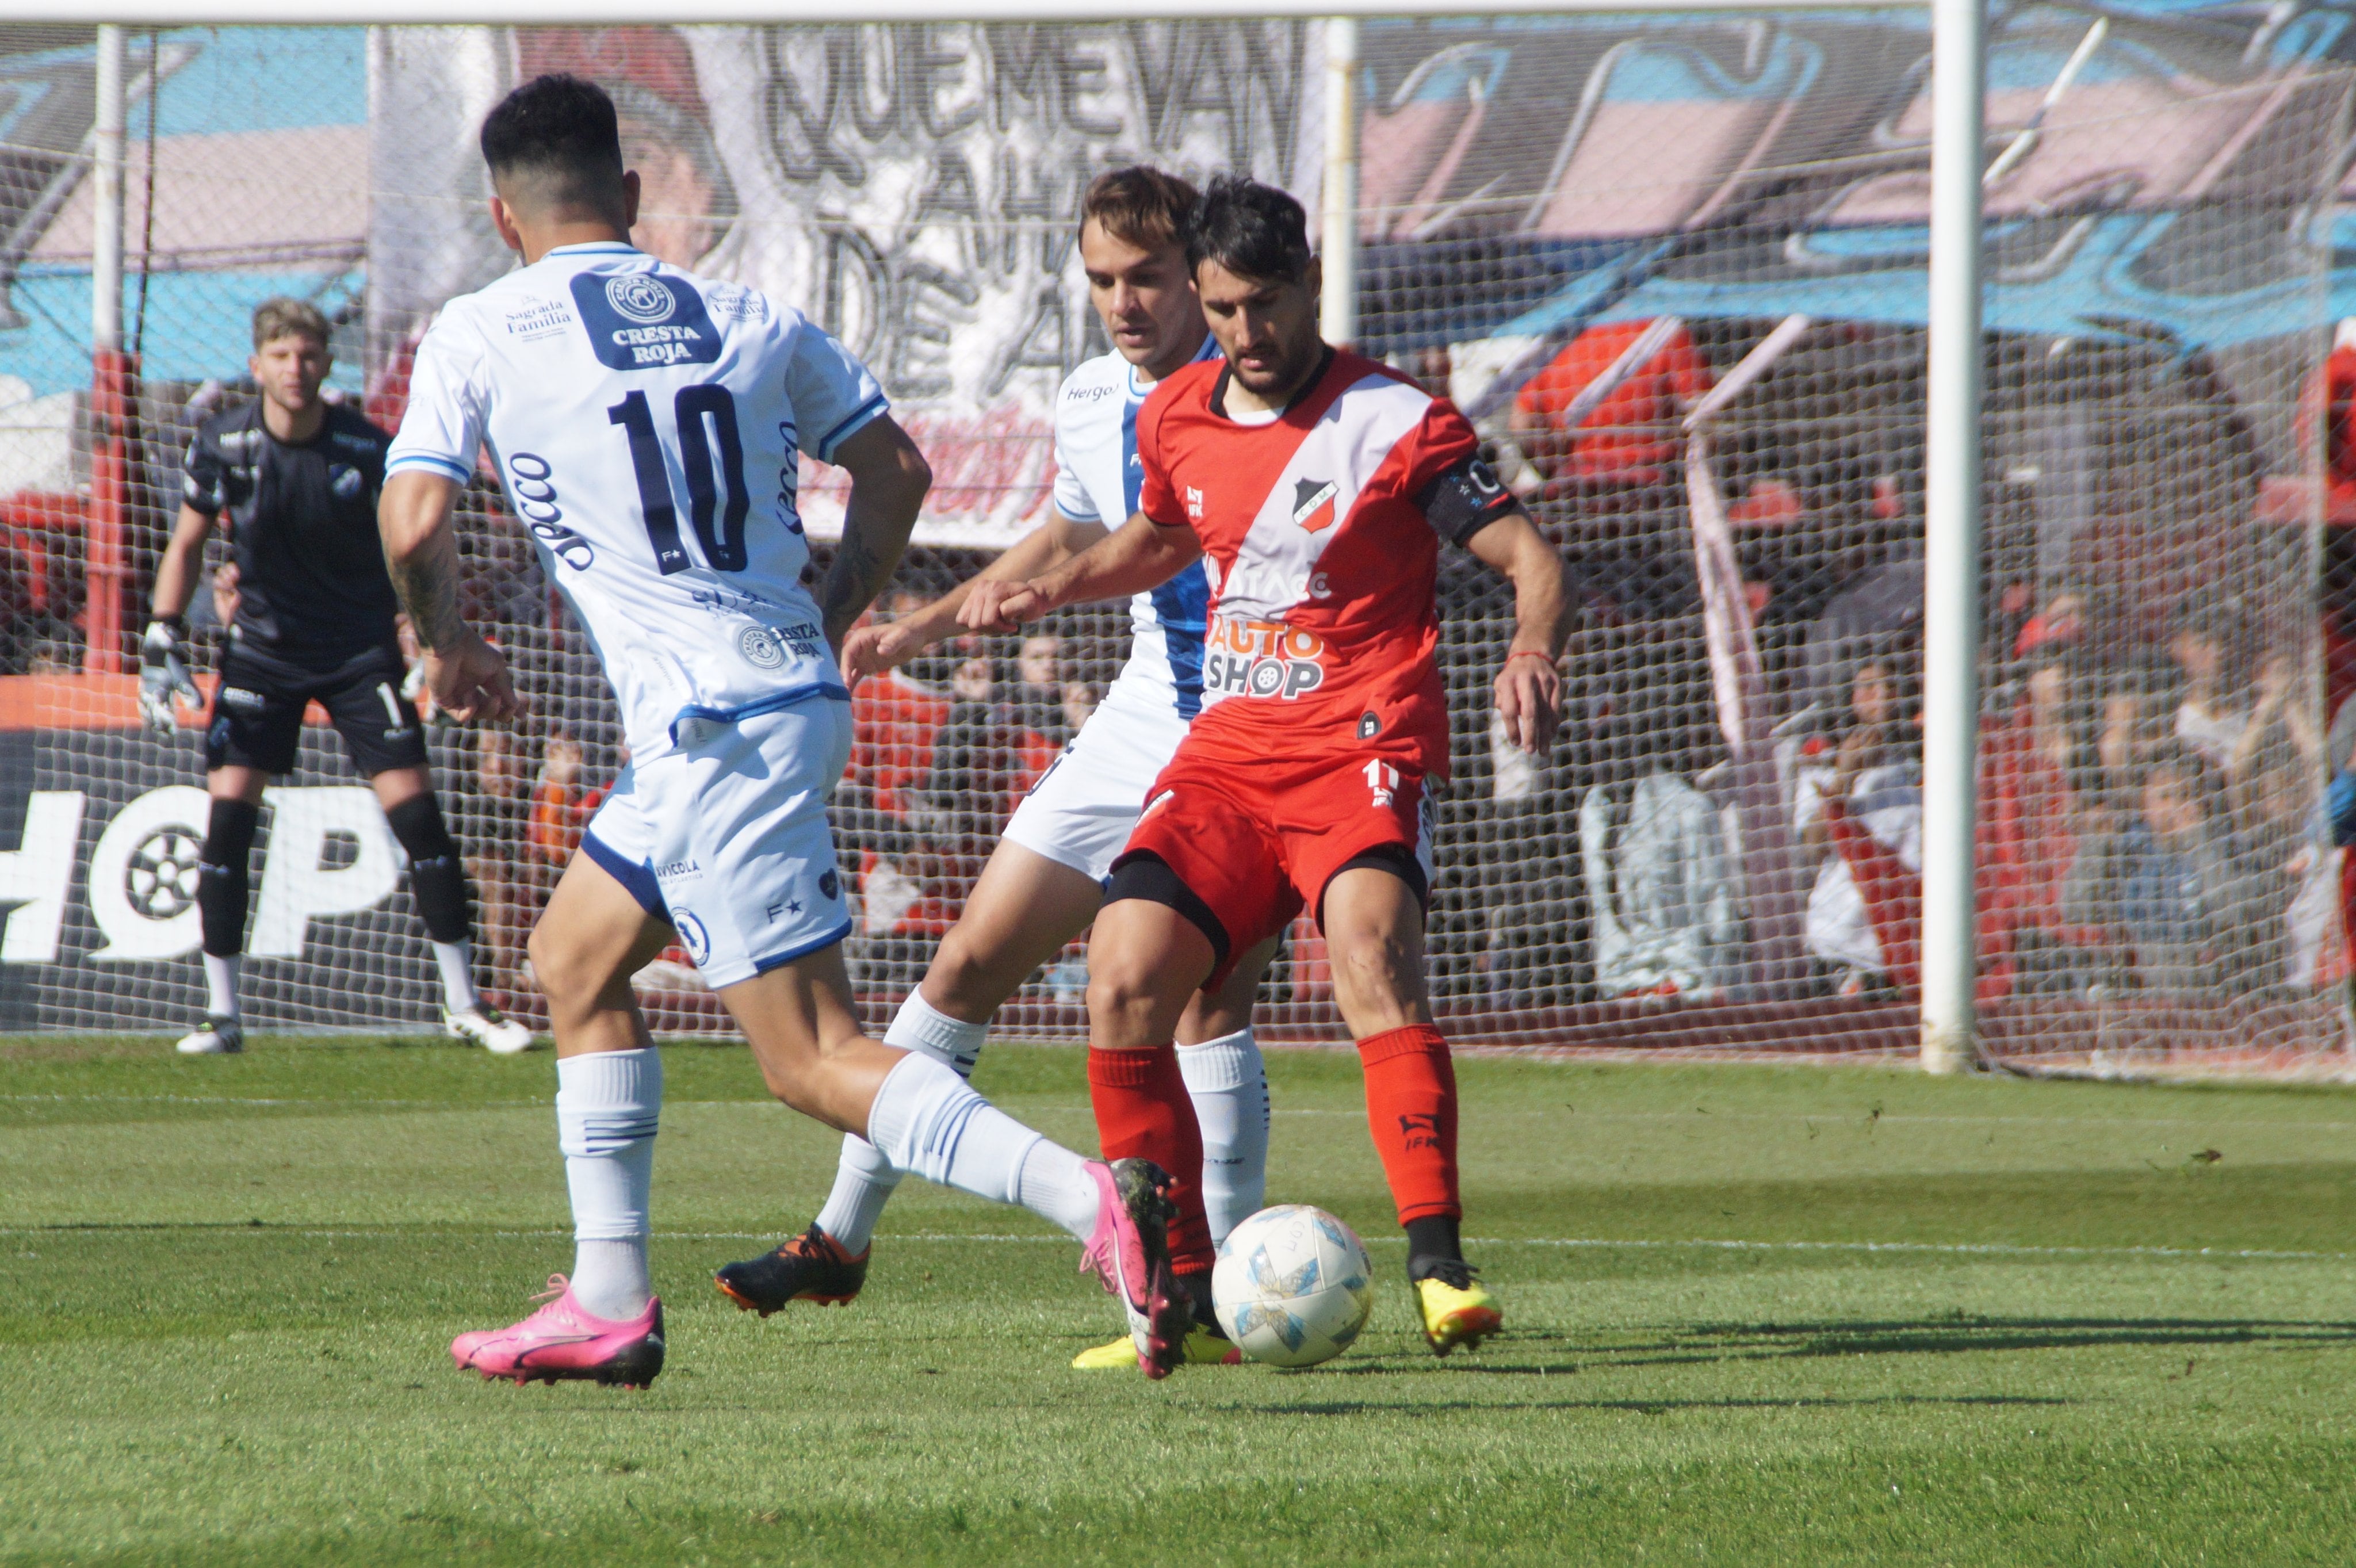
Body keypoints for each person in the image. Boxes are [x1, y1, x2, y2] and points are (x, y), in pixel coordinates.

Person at [377, 75, 1191, 1387]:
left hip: (711, 733)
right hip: (768, 699)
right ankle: (609, 1301)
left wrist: (442, 640)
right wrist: (826, 611)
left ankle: (1092, 1199)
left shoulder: (480, 329)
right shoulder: (743, 310)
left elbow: (413, 523)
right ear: (631, 197)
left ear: (500, 213)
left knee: (810, 1057)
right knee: (574, 958)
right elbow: (898, 472)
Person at [968, 175, 1572, 1356]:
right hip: (1230, 756)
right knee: (1123, 976)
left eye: (1266, 304)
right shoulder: (1176, 413)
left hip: (1359, 746)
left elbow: (1529, 557)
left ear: (1307, 288)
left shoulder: (1396, 422)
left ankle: (1439, 1268)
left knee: (1368, 958)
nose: (1247, 333)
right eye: (1226, 306)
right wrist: (1054, 583)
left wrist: (1531, 648)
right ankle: (1178, 1296)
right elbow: (1159, 538)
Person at [716, 166, 1279, 1371]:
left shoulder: (1252, 390)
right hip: (1143, 713)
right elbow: (1073, 526)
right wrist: (923, 622)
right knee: (965, 960)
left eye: (1147, 278)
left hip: (1256, 726)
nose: (1124, 302)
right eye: (1100, 281)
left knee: (1205, 1002)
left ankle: (1221, 1291)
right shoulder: (1089, 395)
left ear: (1198, 275)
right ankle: (840, 1237)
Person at [140, 297, 530, 1058]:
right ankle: (222, 1015)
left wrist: (428, 629)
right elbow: (186, 544)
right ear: (256, 366)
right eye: (281, 355)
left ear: (327, 364)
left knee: (420, 821)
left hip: (358, 655)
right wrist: (163, 632)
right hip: (260, 654)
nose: (297, 368)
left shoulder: (365, 445)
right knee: (227, 829)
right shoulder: (222, 442)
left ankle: (465, 1003)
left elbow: (416, 540)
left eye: (310, 354)